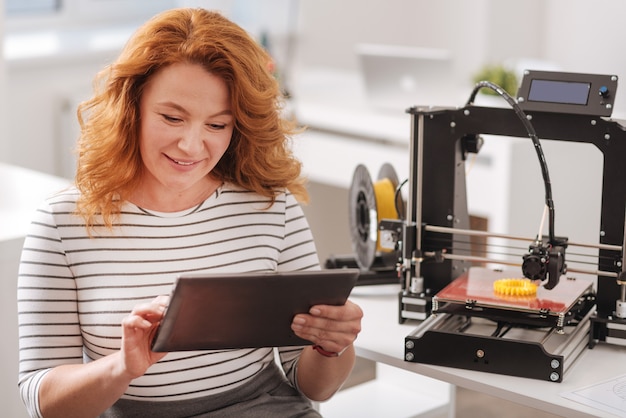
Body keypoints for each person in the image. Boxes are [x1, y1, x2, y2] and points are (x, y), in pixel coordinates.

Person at [17, 8, 363, 418]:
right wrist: (123, 368)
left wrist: (331, 344)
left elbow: (314, 387)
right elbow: (43, 403)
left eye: (217, 125)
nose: (192, 146)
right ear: (132, 107)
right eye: (172, 117)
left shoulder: (273, 207)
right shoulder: (62, 222)